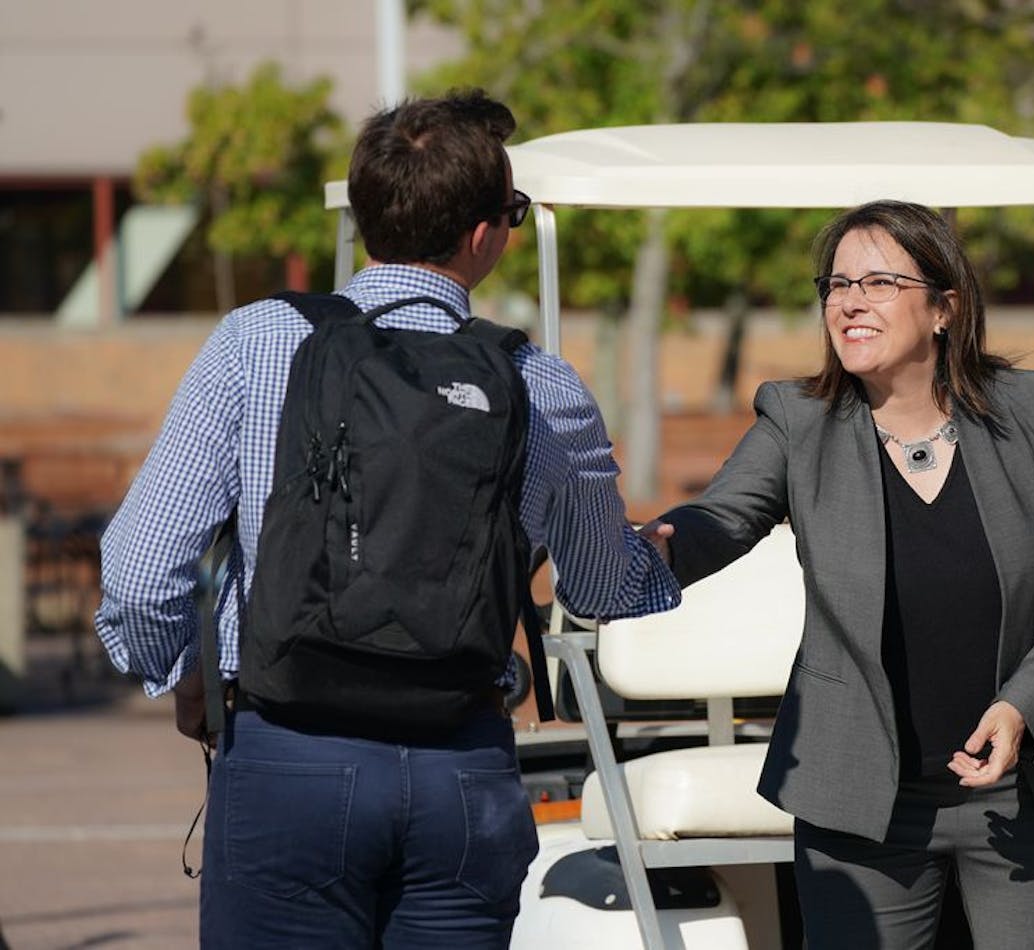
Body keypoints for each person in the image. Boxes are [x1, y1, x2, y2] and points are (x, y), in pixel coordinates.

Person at [94, 89, 680, 948]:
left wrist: (187, 677)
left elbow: (141, 573)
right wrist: (668, 558)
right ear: (484, 234)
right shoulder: (543, 387)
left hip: (286, 756)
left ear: (366, 214)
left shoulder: (256, 344)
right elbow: (603, 587)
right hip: (461, 774)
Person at [645, 200, 1034, 948]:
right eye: (835, 285)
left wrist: (1023, 707)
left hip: (1030, 794)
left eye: (876, 282)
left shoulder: (1030, 412)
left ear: (944, 307)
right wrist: (641, 553)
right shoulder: (796, 422)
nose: (849, 303)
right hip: (862, 802)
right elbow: (720, 521)